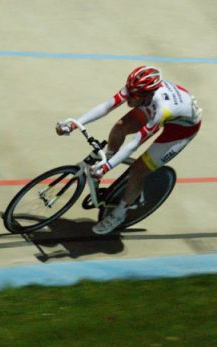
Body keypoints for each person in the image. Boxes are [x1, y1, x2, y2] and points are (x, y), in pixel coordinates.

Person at [56, 66, 202, 235]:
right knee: (119, 128)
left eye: (134, 95)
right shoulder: (137, 89)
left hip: (182, 129)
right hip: (153, 105)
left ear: (147, 94)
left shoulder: (162, 109)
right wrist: (75, 123)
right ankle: (108, 158)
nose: (129, 97)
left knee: (139, 169)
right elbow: (107, 106)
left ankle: (119, 214)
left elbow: (135, 143)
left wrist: (106, 167)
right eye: (129, 91)